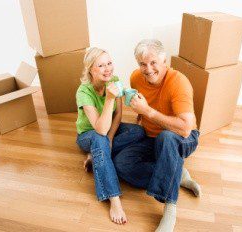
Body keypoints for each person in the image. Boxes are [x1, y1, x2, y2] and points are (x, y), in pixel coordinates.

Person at [113, 39, 201, 232]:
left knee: (167, 137)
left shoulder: (179, 82)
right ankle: (177, 175)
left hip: (182, 137)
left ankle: (170, 208)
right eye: (142, 64)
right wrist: (140, 114)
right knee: (122, 163)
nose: (148, 69)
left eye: (153, 63)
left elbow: (185, 128)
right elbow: (142, 103)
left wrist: (148, 112)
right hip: (150, 135)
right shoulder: (135, 77)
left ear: (164, 61)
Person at [75, 47, 145, 225]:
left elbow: (118, 116)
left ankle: (97, 154)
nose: (108, 69)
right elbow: (99, 130)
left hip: (108, 131)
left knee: (138, 131)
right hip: (88, 134)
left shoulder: (114, 81)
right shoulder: (83, 92)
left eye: (109, 63)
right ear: (91, 69)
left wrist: (111, 139)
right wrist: (109, 99)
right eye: (101, 65)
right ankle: (114, 198)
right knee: (99, 139)